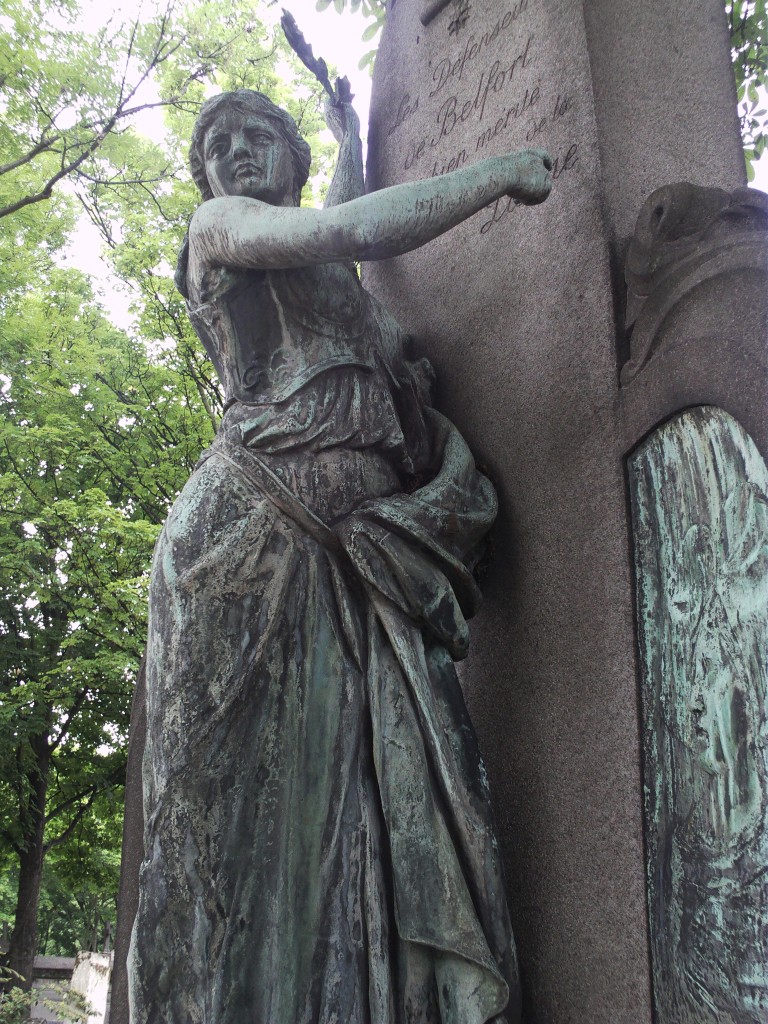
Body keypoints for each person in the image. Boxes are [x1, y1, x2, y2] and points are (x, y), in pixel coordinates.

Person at [127, 88, 551, 1024]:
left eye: (259, 138)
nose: (237, 156)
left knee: (335, 827)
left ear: (294, 154)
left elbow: (348, 255)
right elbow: (353, 230)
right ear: (205, 180)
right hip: (244, 549)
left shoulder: (337, 288)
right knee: (229, 833)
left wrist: (353, 131)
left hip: (348, 562)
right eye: (220, 147)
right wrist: (495, 176)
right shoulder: (219, 229)